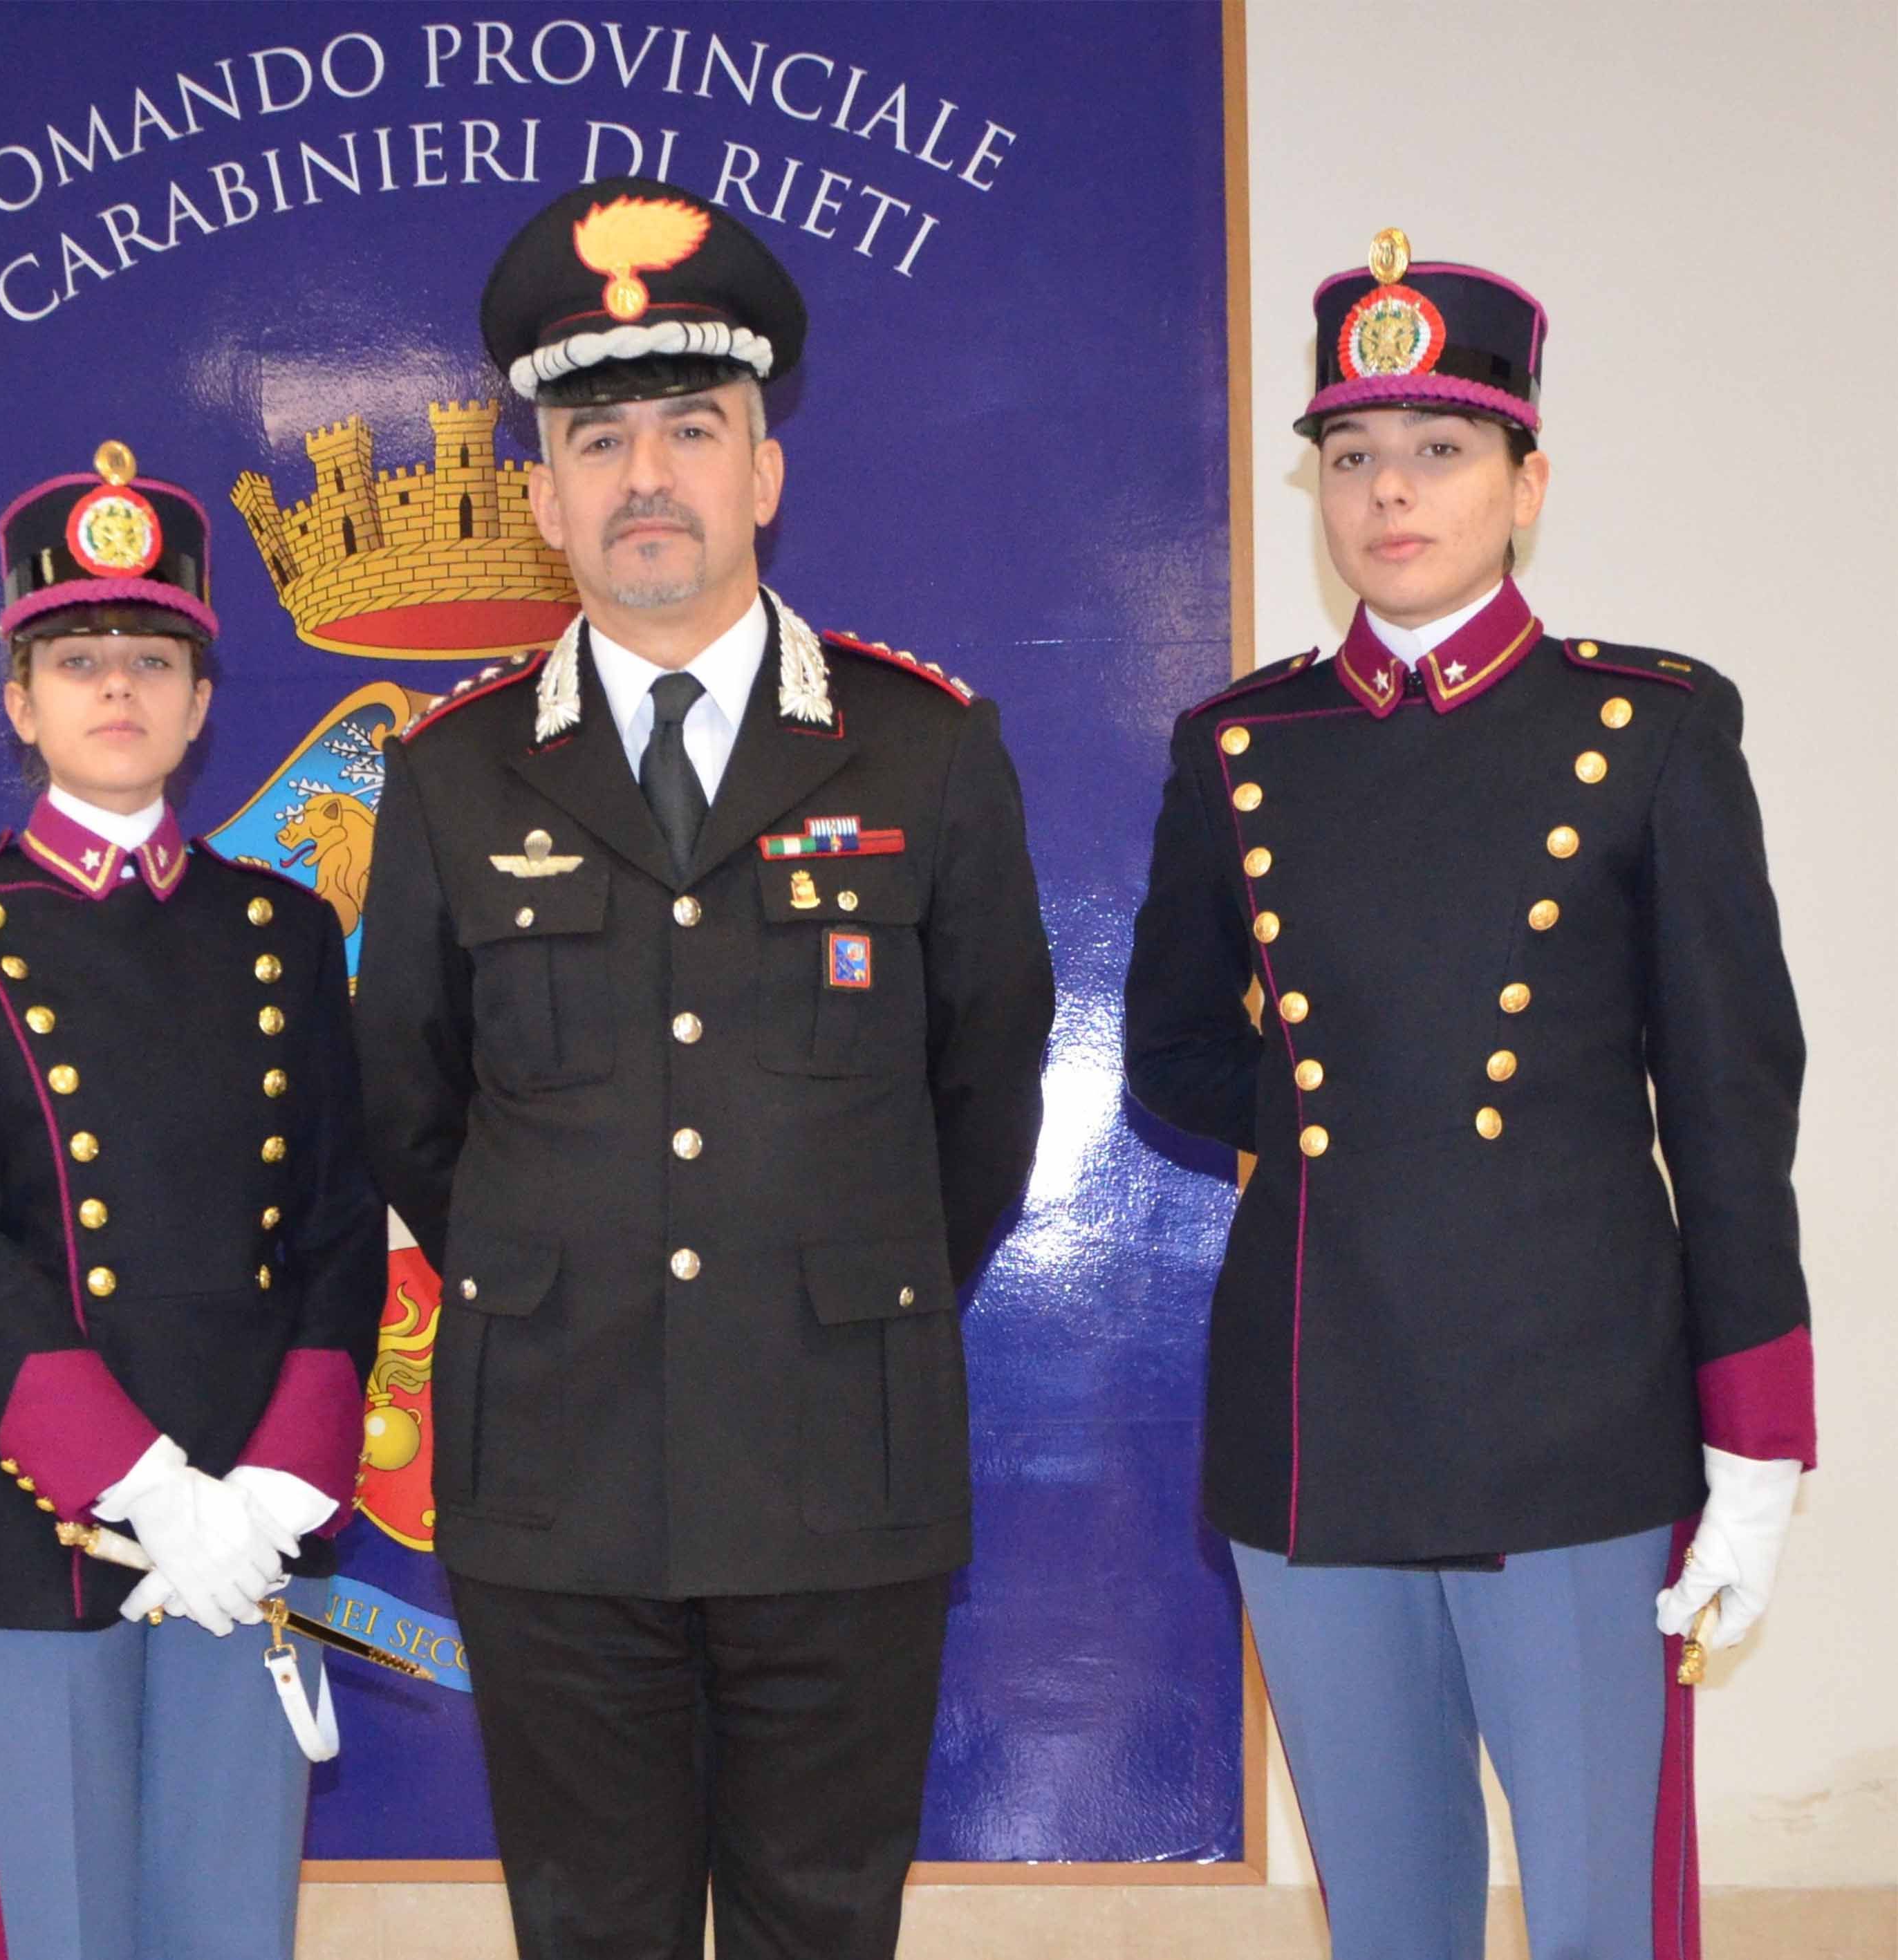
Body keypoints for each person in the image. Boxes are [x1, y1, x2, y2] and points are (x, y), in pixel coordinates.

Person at [354, 178, 1057, 1960]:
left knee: (821, 1920)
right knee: (588, 1926)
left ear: (765, 470)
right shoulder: (449, 771)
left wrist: (847, 1277)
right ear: (539, 497)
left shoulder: (920, 745)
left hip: (836, 1456)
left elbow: (983, 1085)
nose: (643, 474)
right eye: (595, 439)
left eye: (690, 425)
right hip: (554, 1469)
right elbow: (411, 1105)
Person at [1123, 230, 1815, 1960]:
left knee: (1590, 1915)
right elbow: (1170, 1049)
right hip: (1316, 1402)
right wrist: (1359, 1121)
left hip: (1571, 1415)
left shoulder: (1647, 727)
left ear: (1525, 480)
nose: (1389, 490)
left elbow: (1729, 1106)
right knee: (1386, 1915)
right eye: (1350, 453)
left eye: (1438, 448)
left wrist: (1754, 1436)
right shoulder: (1239, 744)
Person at [0, 442, 384, 1960]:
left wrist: (271, 1491)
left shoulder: (283, 924)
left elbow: (338, 1224)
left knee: (229, 1932)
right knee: (63, 1934)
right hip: (42, 1523)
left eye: (152, 659)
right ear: (18, 701)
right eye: (76, 659)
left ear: (201, 701)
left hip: (250, 1521)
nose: (116, 688)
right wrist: (143, 1486)